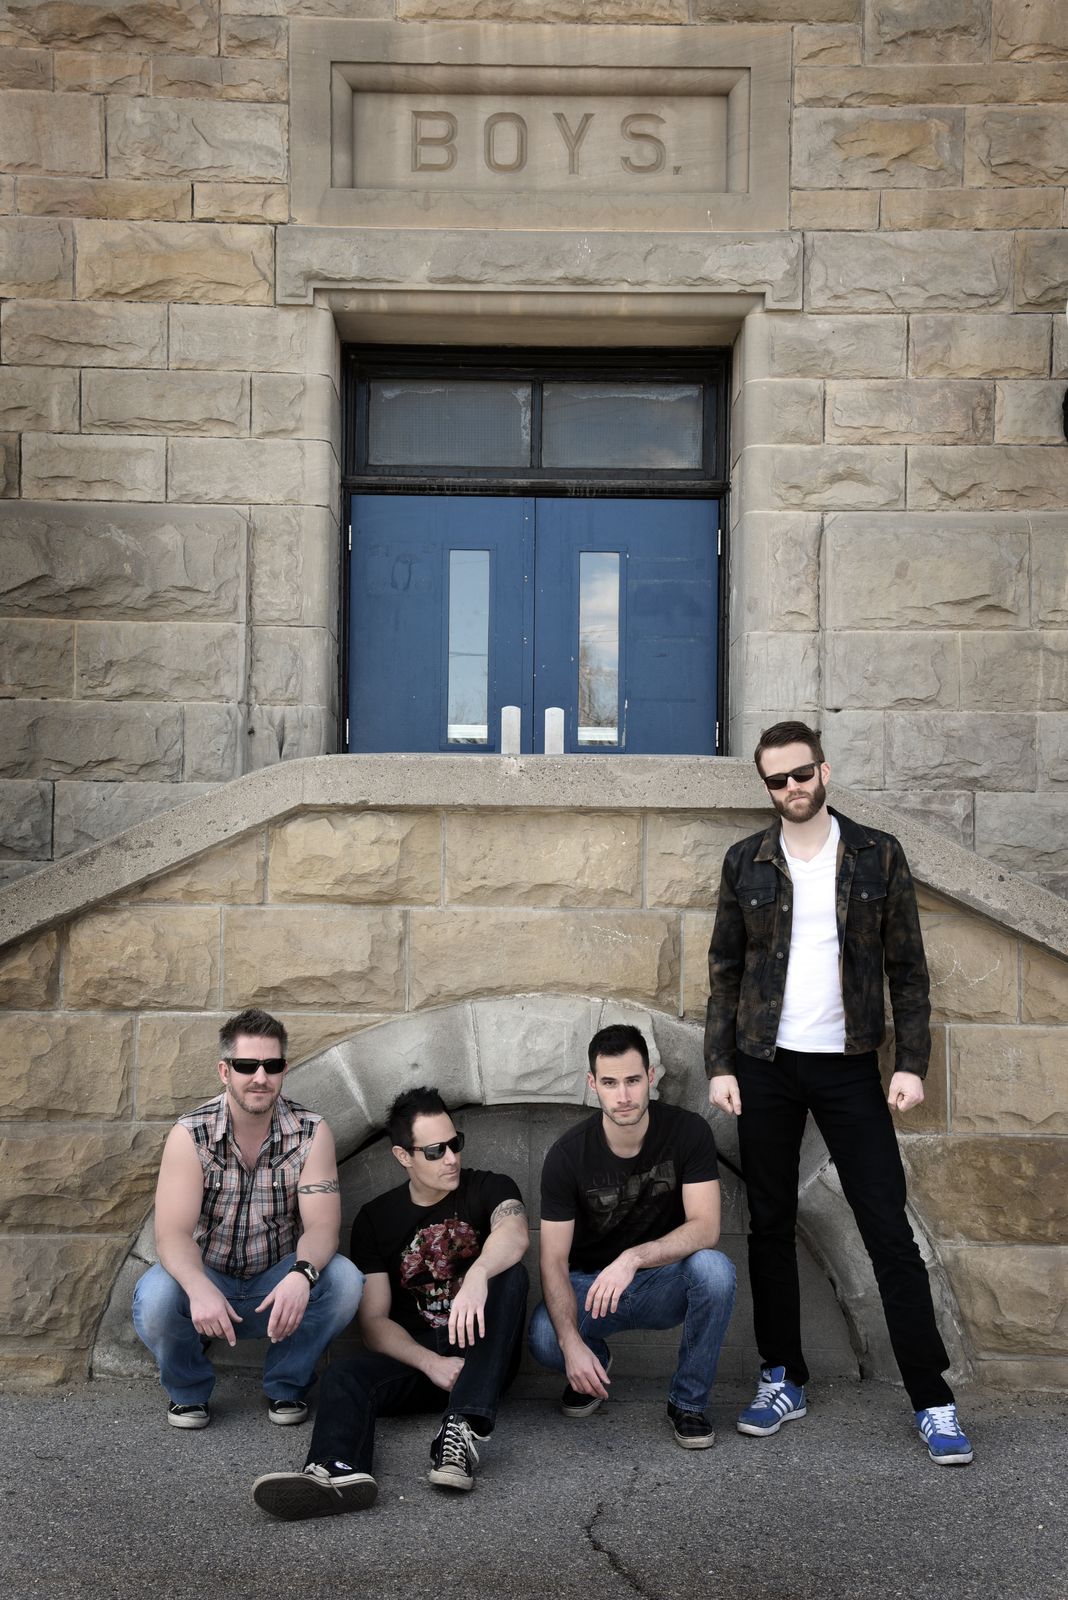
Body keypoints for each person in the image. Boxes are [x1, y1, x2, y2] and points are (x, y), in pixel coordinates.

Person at [706, 719, 973, 1466]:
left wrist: (910, 1062)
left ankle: (932, 1398)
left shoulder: (877, 854)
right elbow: (726, 970)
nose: (791, 788)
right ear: (766, 787)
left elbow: (908, 971)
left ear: (825, 772)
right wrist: (720, 1064)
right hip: (764, 1062)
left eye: (802, 773)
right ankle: (782, 1376)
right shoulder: (746, 861)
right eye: (777, 780)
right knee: (769, 1222)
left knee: (886, 1227)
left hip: (849, 1066)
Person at [252, 1087, 529, 1519]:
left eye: (454, 1143)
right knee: (343, 1375)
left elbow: (514, 1234)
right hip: (423, 1360)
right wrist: (430, 1363)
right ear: (403, 1156)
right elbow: (375, 1324)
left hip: (484, 1354)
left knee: (511, 1274)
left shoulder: (490, 1186)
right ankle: (334, 1471)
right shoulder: (376, 1219)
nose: (451, 1159)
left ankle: (462, 1429)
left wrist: (478, 1275)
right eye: (435, 1151)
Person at [132, 1007, 361, 1429]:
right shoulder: (191, 1134)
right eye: (246, 1066)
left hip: (277, 1283)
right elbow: (172, 1234)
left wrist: (302, 1274)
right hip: (209, 1282)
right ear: (225, 1071)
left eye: (271, 1066)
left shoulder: (311, 1132)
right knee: (156, 1297)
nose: (260, 1077)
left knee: (345, 1281)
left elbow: (323, 1226)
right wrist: (198, 1287)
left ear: (283, 1070)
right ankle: (188, 1392)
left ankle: (287, 1384)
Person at [528, 1024, 736, 1449]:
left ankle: (688, 1403)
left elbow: (706, 1227)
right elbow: (552, 1260)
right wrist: (572, 1346)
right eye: (610, 1083)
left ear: (650, 1077)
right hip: (592, 1289)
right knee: (546, 1337)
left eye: (633, 1080)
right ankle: (593, 1365)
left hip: (663, 1281)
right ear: (592, 1085)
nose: (623, 1095)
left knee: (715, 1270)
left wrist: (632, 1258)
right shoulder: (567, 1155)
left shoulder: (688, 1132)